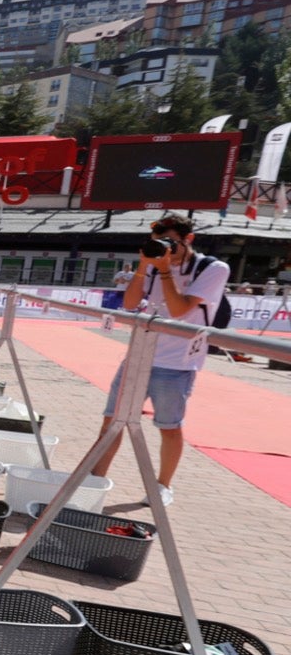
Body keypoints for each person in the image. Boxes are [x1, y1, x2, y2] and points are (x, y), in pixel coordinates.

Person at [89, 213, 227, 507]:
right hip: (138, 356)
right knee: (111, 421)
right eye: (158, 242)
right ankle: (94, 482)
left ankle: (163, 485)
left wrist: (164, 270)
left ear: (188, 239)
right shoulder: (153, 266)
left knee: (169, 426)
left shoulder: (212, 268)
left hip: (177, 363)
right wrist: (144, 266)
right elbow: (128, 304)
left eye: (171, 242)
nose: (165, 248)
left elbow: (179, 311)